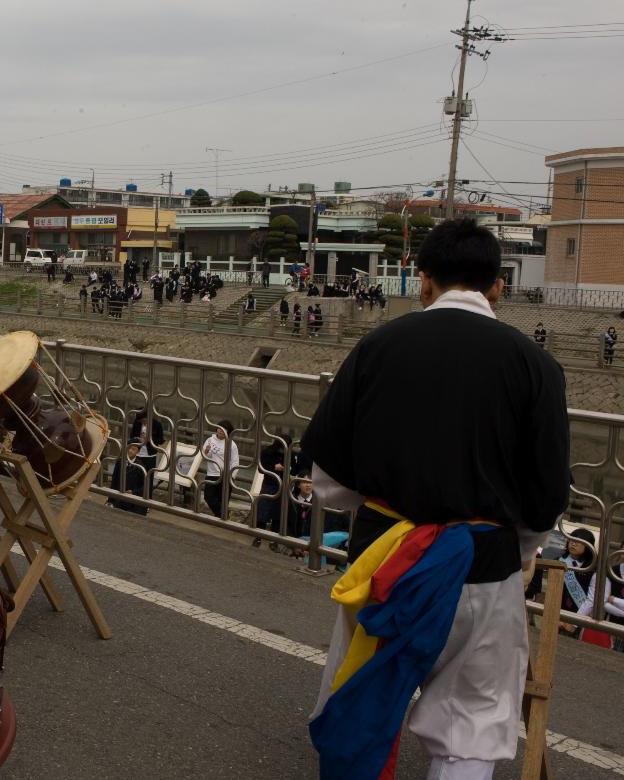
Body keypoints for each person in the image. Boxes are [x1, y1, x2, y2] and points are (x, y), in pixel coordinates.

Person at [301, 218, 569, 780]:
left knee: (364, 697)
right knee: (470, 719)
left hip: (386, 558)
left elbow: (326, 472)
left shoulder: (378, 346)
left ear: (423, 280)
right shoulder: (535, 364)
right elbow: (546, 492)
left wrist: (379, 505)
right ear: (497, 285)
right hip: (483, 563)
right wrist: (516, 546)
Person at [200, 419, 239, 518]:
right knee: (208, 497)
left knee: (223, 500)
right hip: (212, 474)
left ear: (228, 432)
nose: (221, 431)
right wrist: (206, 451)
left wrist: (232, 477)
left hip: (226, 475)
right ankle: (225, 515)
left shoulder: (231, 444)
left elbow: (235, 461)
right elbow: (204, 456)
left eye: (224, 429)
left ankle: (221, 519)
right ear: (216, 429)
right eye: (219, 428)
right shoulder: (210, 440)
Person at [108, 442, 149, 515]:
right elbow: (114, 480)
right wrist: (110, 499)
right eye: (129, 448)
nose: (130, 451)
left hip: (131, 500)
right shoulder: (120, 461)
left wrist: (133, 492)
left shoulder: (140, 467)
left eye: (133, 449)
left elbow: (144, 486)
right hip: (118, 496)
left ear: (138, 452)